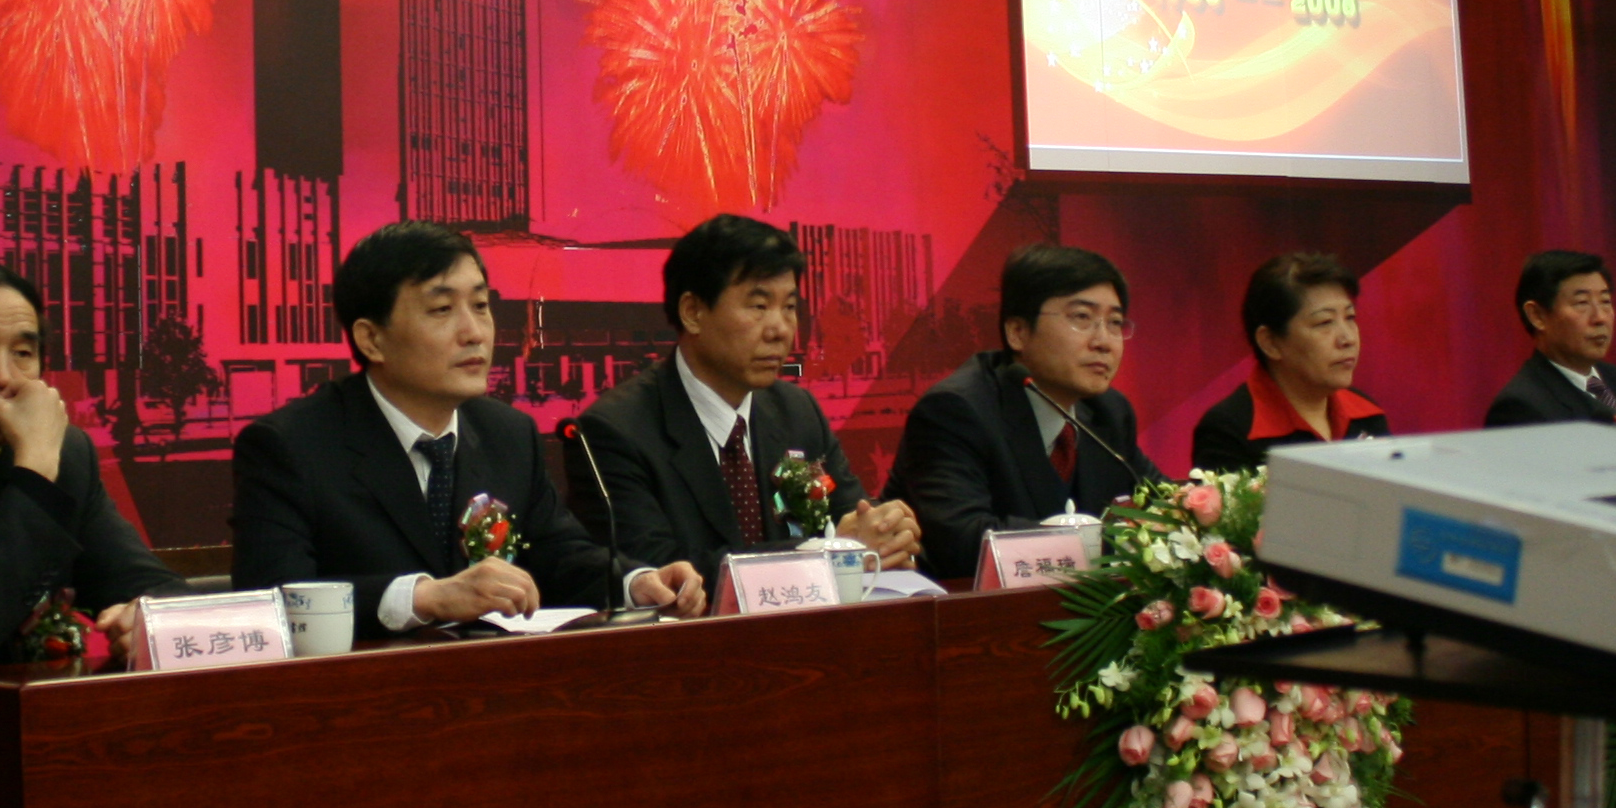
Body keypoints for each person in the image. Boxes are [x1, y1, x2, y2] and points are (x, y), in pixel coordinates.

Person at [234, 221, 710, 627]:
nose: (475, 332)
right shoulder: (291, 446)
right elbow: (273, 597)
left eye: (481, 306)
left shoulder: (508, 434)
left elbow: (559, 555)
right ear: (372, 339)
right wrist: (424, 598)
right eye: (442, 310)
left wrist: (635, 582)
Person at [570, 212, 922, 578]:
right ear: (692, 312)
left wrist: (885, 533)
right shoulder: (616, 431)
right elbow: (658, 571)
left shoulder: (797, 412)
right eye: (759, 306)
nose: (780, 329)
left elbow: (852, 519)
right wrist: (827, 554)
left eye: (789, 307)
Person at [0, 255, 188, 670]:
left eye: (23, 353)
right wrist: (35, 472)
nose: (4, 376)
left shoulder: (65, 454)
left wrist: (147, 616)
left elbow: (154, 588)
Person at [886, 243, 1162, 576]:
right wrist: (1116, 544)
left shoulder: (1109, 412)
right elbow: (964, 542)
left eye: (1115, 322)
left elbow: (1164, 504)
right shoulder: (955, 411)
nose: (1103, 341)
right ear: (1018, 332)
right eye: (1082, 318)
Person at [1189, 251, 1394, 474]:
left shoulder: (1367, 414)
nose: (1348, 339)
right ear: (1270, 343)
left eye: (1350, 317)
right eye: (1324, 322)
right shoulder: (1229, 431)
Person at [1482, 248, 1616, 431]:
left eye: (1605, 301)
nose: (1600, 318)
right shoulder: (1521, 407)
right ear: (1537, 316)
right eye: (1582, 303)